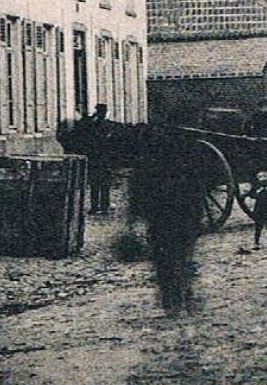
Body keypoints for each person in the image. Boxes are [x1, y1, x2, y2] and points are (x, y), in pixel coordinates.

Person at [128, 129, 208, 315]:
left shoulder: (145, 167)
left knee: (163, 259)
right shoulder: (186, 165)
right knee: (182, 256)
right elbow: (199, 192)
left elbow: (136, 196)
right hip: (183, 218)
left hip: (160, 221)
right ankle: (184, 293)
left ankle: (170, 299)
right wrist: (198, 218)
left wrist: (134, 220)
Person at [78, 104, 115, 213]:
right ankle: (104, 207)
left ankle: (95, 207)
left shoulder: (92, 125)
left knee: (95, 183)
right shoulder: (108, 125)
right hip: (104, 158)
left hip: (95, 158)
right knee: (104, 184)